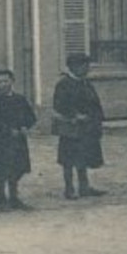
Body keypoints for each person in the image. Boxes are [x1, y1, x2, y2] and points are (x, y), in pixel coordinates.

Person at [52, 53, 107, 200]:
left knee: (83, 157)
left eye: (87, 66)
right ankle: (69, 189)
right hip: (70, 127)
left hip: (86, 127)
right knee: (68, 159)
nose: (87, 69)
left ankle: (84, 187)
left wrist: (98, 119)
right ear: (74, 67)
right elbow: (59, 105)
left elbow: (95, 103)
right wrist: (74, 115)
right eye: (84, 66)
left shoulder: (86, 83)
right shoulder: (64, 84)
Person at [0, 69, 37, 210]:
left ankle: (14, 197)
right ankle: (0, 198)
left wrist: (24, 126)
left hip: (18, 142)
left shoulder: (19, 99)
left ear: (12, 81)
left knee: (17, 168)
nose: (3, 85)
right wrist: (8, 130)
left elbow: (30, 117)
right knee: (0, 170)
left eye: (6, 81)